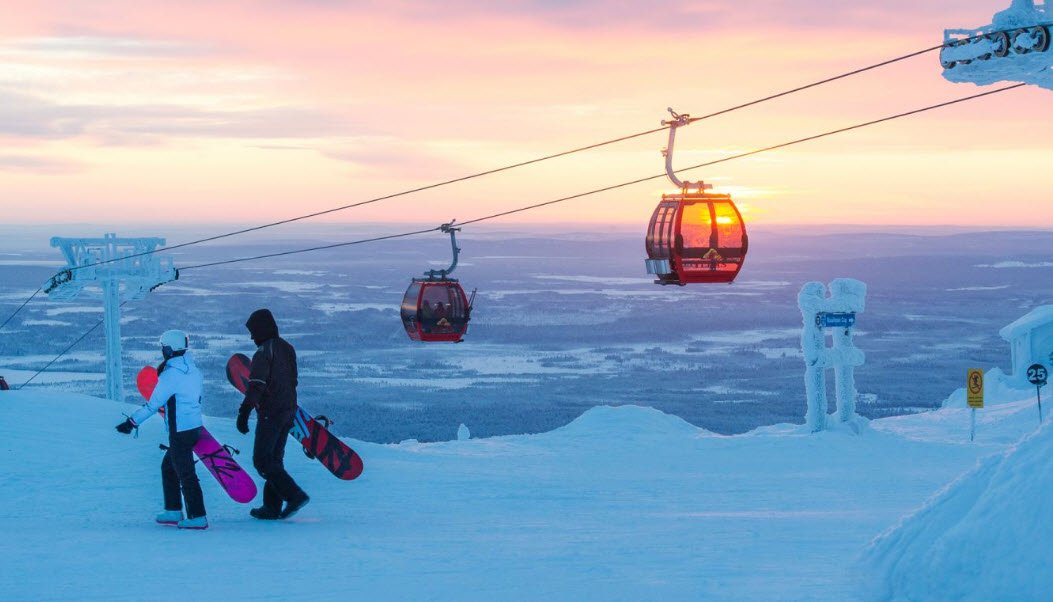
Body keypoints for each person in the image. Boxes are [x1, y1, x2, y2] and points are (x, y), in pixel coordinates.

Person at [115, 330, 208, 530]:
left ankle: (198, 516)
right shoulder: (193, 370)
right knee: (169, 467)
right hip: (194, 427)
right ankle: (173, 510)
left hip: (180, 431)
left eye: (163, 348)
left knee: (186, 473)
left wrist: (131, 423)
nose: (162, 351)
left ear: (169, 349)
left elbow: (153, 405)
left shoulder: (171, 375)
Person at [237, 308, 310, 520]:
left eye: (253, 331)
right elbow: (293, 380)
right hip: (288, 410)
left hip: (271, 412)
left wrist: (244, 413)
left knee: (261, 460)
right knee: (274, 460)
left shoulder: (263, 352)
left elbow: (256, 386)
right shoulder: (287, 348)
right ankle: (271, 507)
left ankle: (295, 495)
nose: (251, 337)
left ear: (262, 329)